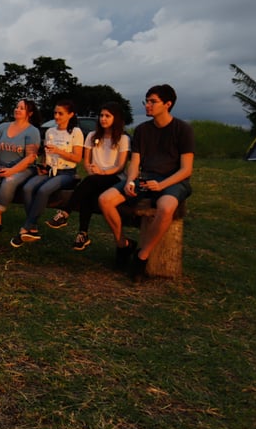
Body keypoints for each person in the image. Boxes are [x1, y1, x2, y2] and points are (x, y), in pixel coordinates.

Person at [99, 85, 194, 282]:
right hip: (146, 178)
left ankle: (142, 257)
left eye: (153, 101)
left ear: (167, 104)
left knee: (166, 207)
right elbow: (135, 163)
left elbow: (186, 169)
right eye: (146, 101)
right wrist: (131, 181)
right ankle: (123, 244)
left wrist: (162, 185)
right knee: (105, 200)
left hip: (173, 180)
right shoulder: (142, 130)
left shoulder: (182, 129)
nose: (147, 105)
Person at [45, 102, 130, 251]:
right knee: (89, 194)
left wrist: (102, 173)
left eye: (107, 116)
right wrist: (91, 170)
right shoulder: (91, 135)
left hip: (115, 178)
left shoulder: (123, 139)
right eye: (101, 115)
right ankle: (82, 234)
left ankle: (65, 212)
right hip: (95, 178)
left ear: (116, 118)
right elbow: (87, 161)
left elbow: (120, 166)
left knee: (90, 183)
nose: (103, 119)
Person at [10, 99, 85, 247]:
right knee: (27, 187)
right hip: (49, 171)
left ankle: (26, 227)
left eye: (60, 113)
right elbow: (46, 155)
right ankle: (32, 227)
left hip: (67, 173)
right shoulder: (50, 131)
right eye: (55, 113)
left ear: (70, 115)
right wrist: (43, 164)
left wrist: (59, 151)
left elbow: (77, 158)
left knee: (43, 190)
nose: (56, 116)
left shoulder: (75, 132)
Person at [0, 100, 41, 232]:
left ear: (30, 113)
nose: (17, 109)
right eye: (17, 107)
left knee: (9, 181)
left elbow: (30, 157)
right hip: (1, 165)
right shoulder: (3, 127)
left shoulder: (32, 131)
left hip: (24, 168)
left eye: (22, 108)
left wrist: (12, 170)